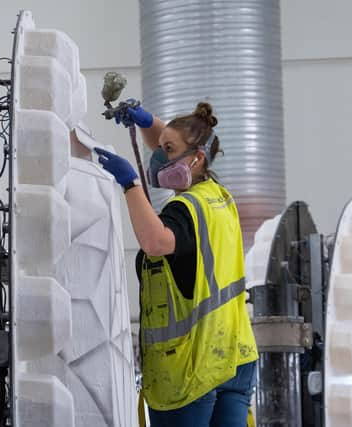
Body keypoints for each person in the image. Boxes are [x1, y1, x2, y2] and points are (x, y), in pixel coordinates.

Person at [94, 101, 258, 427]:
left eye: (167, 150)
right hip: (233, 358)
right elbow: (174, 139)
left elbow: (155, 242)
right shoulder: (218, 197)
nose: (158, 156)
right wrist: (146, 121)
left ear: (196, 159)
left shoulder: (184, 210)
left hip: (192, 366)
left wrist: (130, 184)